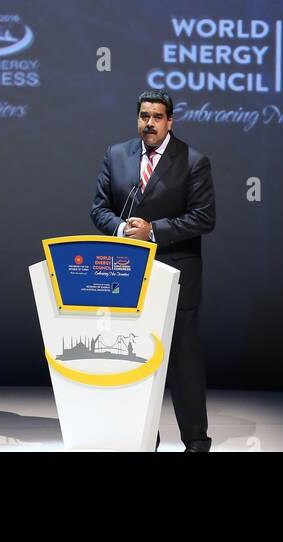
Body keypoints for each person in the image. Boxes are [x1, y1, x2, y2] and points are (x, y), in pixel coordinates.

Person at [90, 89, 216, 451]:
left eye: (157, 117)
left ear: (170, 121)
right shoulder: (116, 155)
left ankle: (195, 440)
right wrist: (121, 228)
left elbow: (204, 217)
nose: (150, 123)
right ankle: (143, 435)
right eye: (144, 116)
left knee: (183, 362)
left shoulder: (193, 160)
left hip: (176, 275)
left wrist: (154, 231)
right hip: (126, 275)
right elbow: (99, 208)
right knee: (130, 357)